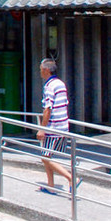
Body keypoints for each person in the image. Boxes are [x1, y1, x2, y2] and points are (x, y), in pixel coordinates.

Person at [36, 58, 77, 194]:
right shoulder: (60, 84)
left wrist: (42, 129)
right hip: (63, 125)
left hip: (53, 127)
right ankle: (51, 185)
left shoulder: (49, 86)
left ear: (46, 70)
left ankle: (71, 178)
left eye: (41, 69)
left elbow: (48, 108)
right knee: (47, 156)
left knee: (45, 157)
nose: (40, 72)